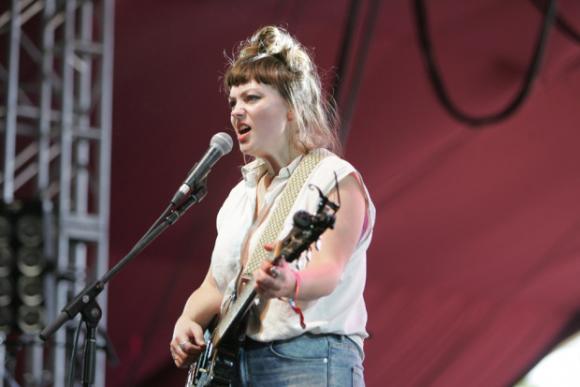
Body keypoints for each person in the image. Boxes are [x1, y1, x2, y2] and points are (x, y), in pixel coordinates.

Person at [170, 25, 375, 386]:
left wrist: (290, 281)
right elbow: (218, 286)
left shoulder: (334, 179)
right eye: (233, 101)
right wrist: (187, 319)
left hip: (308, 357)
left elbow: (330, 270)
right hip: (236, 364)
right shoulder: (240, 196)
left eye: (251, 98)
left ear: (293, 107)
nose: (236, 111)